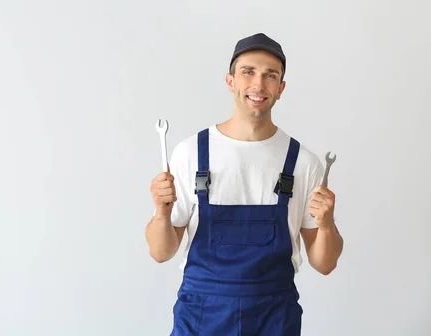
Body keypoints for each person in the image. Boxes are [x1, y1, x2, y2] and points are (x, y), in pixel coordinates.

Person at [145, 33, 344, 335]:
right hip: (201, 316)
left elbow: (325, 263)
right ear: (230, 81)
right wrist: (161, 212)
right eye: (248, 72)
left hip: (273, 317)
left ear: (281, 88)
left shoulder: (303, 162)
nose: (258, 85)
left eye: (270, 75)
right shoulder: (191, 153)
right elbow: (161, 253)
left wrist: (327, 224)